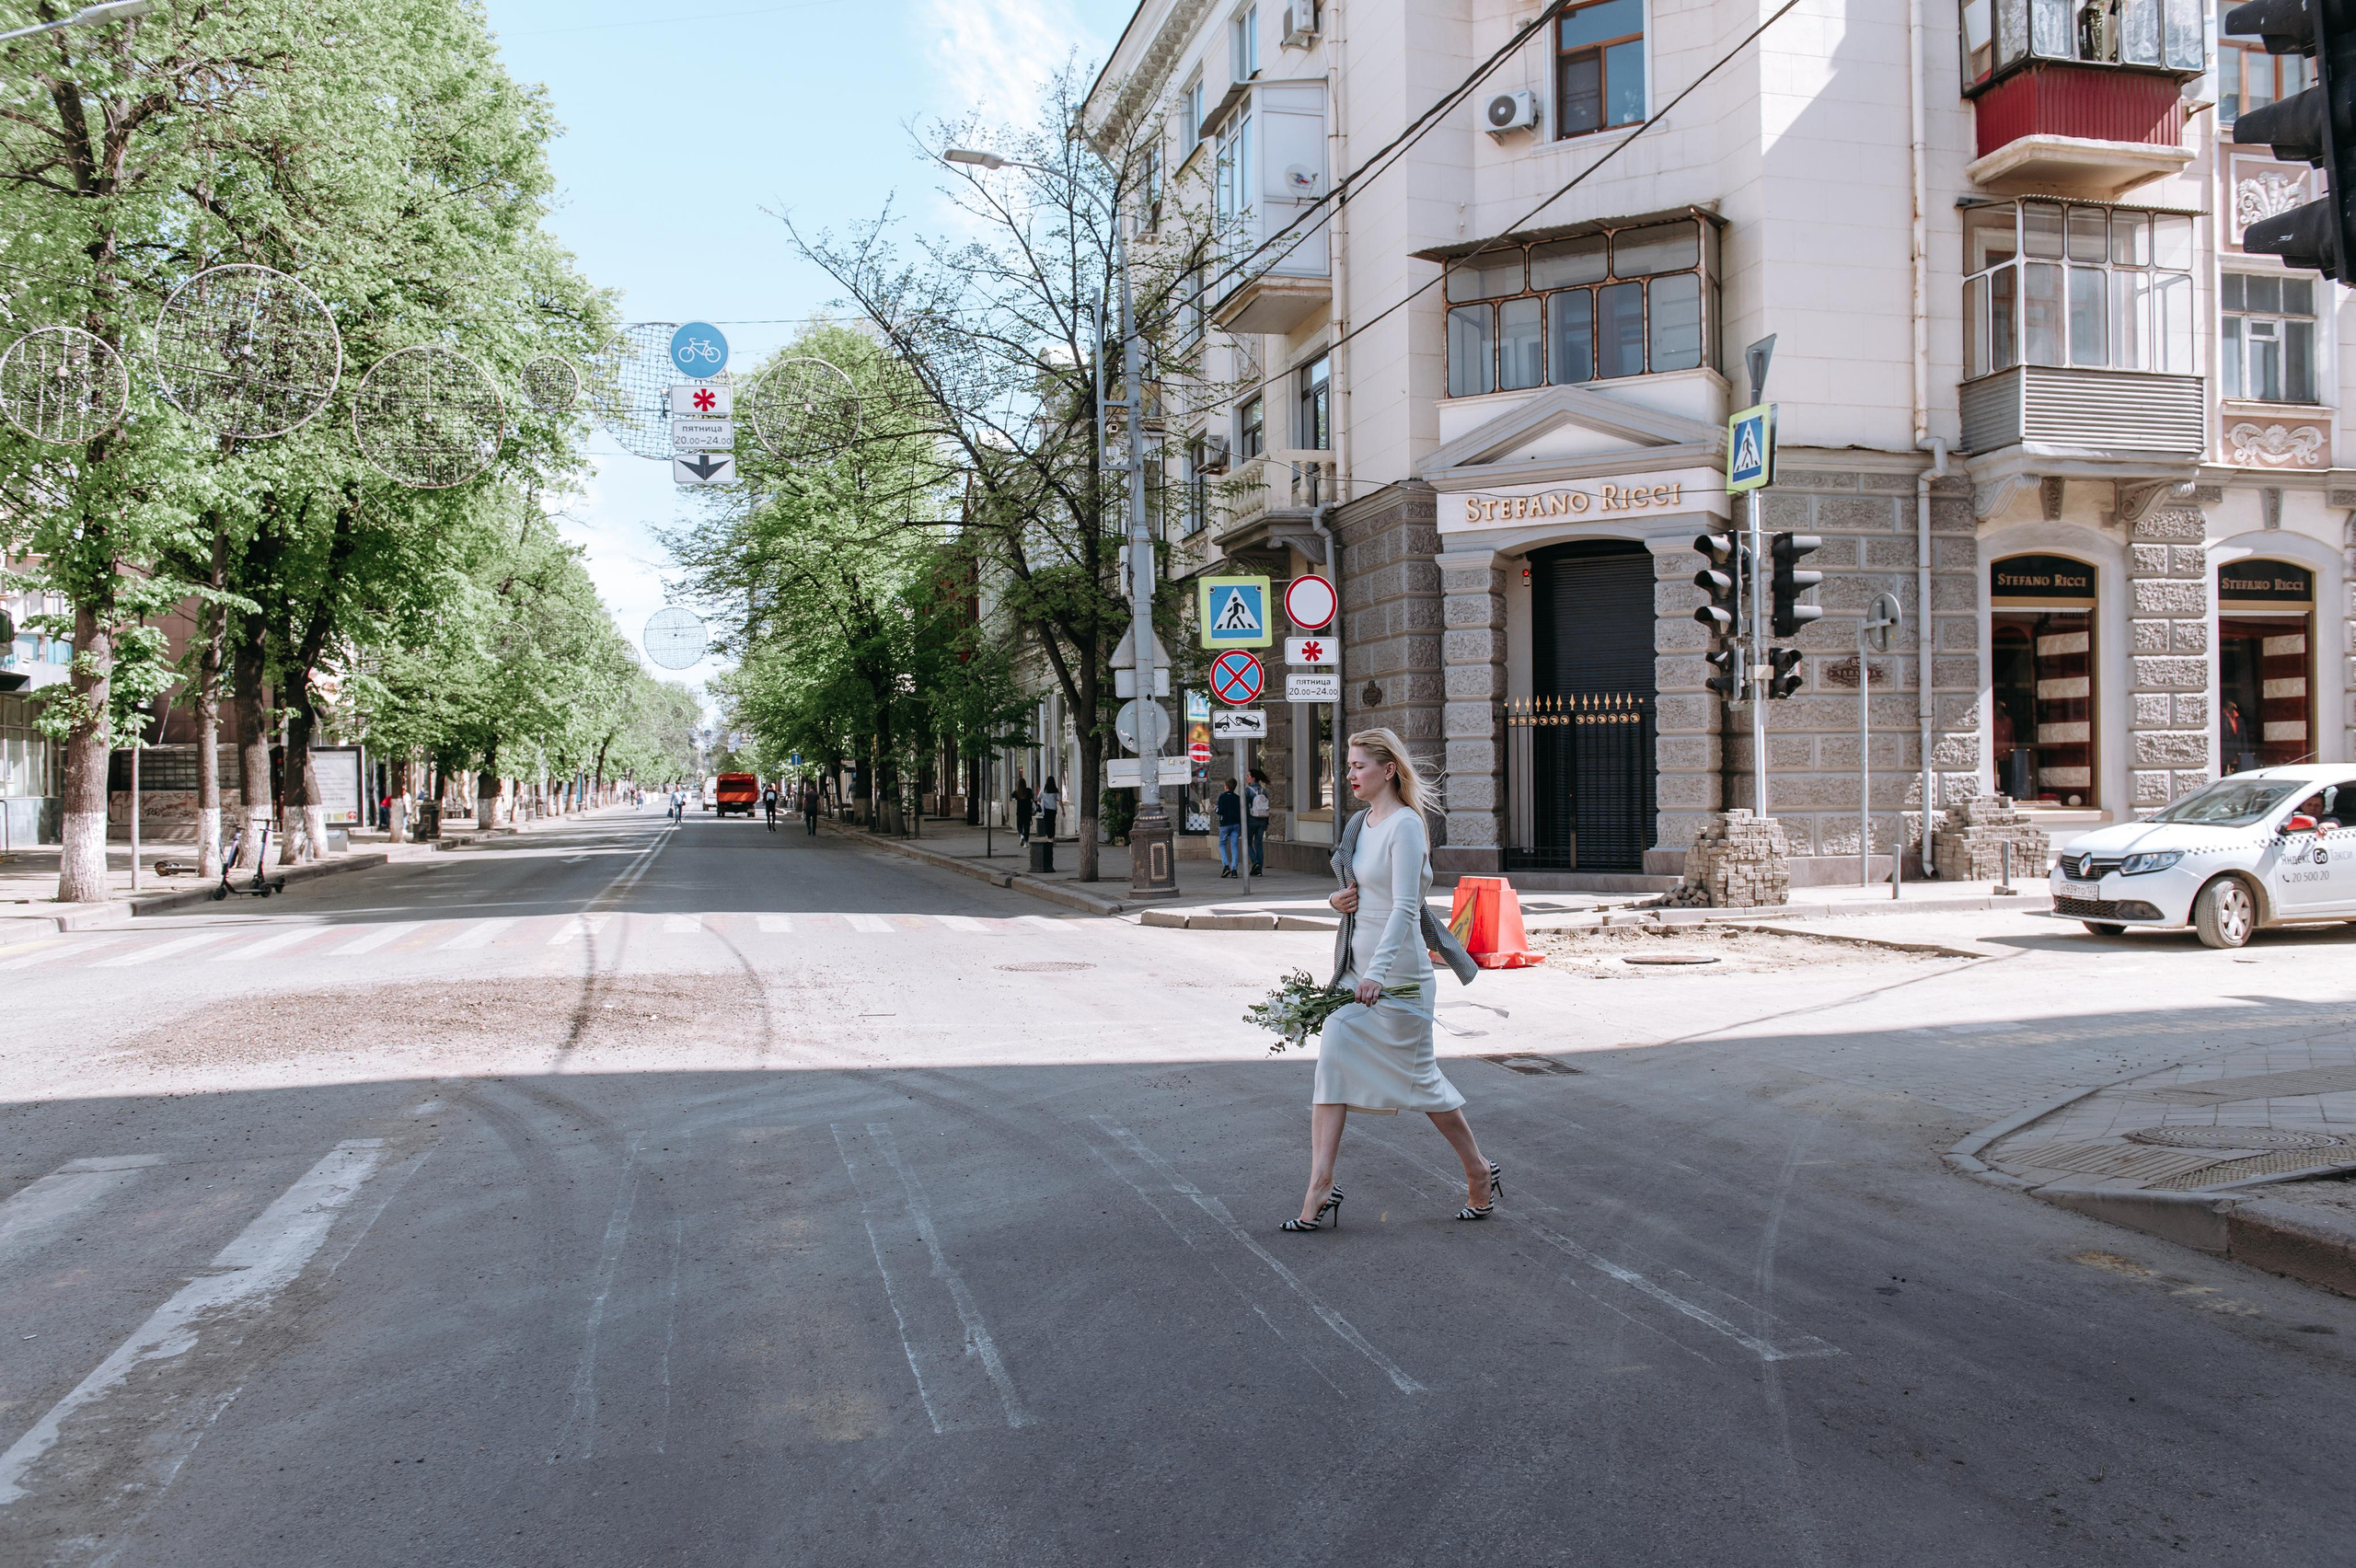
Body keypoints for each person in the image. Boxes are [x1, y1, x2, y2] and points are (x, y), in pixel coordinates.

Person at [1287, 728, 1495, 1232]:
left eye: (1358, 766)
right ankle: (1319, 1184)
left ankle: (1478, 1170)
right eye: (1348, 766)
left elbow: (1406, 906)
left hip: (1396, 975)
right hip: (1354, 973)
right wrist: (1335, 901)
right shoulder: (1362, 823)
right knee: (1331, 1064)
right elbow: (1355, 892)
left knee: (1422, 1083)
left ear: (1389, 770)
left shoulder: (1404, 825)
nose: (1349, 775)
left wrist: (1377, 974)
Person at [1216, 777, 1243, 878]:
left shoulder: (1222, 797)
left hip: (1225, 824)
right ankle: (1234, 870)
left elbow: (1220, 811)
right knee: (1234, 846)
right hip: (1236, 824)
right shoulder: (1237, 798)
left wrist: (1216, 809)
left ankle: (1226, 866)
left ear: (1226, 786)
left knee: (1222, 844)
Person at [1246, 767, 1272, 875]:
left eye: (1248, 776)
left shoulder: (1248, 791)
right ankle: (1259, 870)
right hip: (1262, 820)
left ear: (1253, 778)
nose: (1246, 778)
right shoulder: (1263, 791)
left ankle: (1255, 861)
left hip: (1252, 819)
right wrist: (1266, 822)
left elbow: (1245, 807)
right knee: (1258, 844)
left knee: (1247, 842)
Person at [1012, 775, 1035, 846]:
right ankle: (1026, 842)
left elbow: (1012, 796)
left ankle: (1021, 835)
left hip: (1020, 811)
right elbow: (1032, 797)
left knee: (1019, 825)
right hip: (1028, 811)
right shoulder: (1028, 791)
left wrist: (1016, 789)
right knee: (1027, 827)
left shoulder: (1017, 792)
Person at [1036, 777, 1060, 842]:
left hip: (1046, 809)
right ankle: (1052, 836)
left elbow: (1038, 797)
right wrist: (1063, 810)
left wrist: (1040, 803)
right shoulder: (1055, 790)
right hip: (1053, 809)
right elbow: (1060, 800)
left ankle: (1049, 836)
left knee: (1047, 823)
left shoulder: (1044, 789)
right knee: (1052, 823)